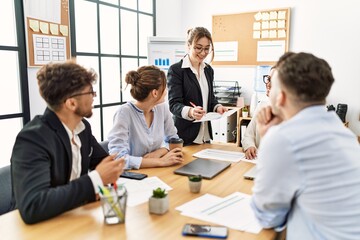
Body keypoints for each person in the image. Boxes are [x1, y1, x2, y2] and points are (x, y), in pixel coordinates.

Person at [251, 52, 360, 239]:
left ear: (281, 97)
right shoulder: (342, 132)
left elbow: (268, 218)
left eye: (272, 84)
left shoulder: (284, 138)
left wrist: (269, 138)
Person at [10, 61, 125, 224]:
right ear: (71, 103)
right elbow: (33, 206)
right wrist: (96, 180)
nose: (94, 96)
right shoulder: (33, 139)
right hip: (38, 228)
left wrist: (109, 172)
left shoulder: (83, 128)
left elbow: (103, 162)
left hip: (72, 217)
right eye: (90, 92)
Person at [108, 65, 184, 169]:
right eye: (164, 87)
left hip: (157, 172)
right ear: (155, 93)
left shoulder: (162, 108)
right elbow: (118, 159)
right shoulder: (124, 113)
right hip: (133, 176)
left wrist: (160, 152)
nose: (166, 91)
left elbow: (174, 140)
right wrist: (159, 161)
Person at [167, 27, 227, 145]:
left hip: (205, 135)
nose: (203, 53)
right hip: (185, 136)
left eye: (207, 49)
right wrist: (190, 111)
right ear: (189, 45)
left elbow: (210, 98)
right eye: (198, 48)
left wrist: (217, 107)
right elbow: (174, 104)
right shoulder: (176, 70)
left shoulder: (208, 70)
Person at [242, 67, 274, 159]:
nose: (268, 84)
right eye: (268, 79)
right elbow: (248, 135)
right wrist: (249, 146)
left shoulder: (293, 113)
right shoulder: (261, 106)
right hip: (258, 161)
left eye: (274, 81)